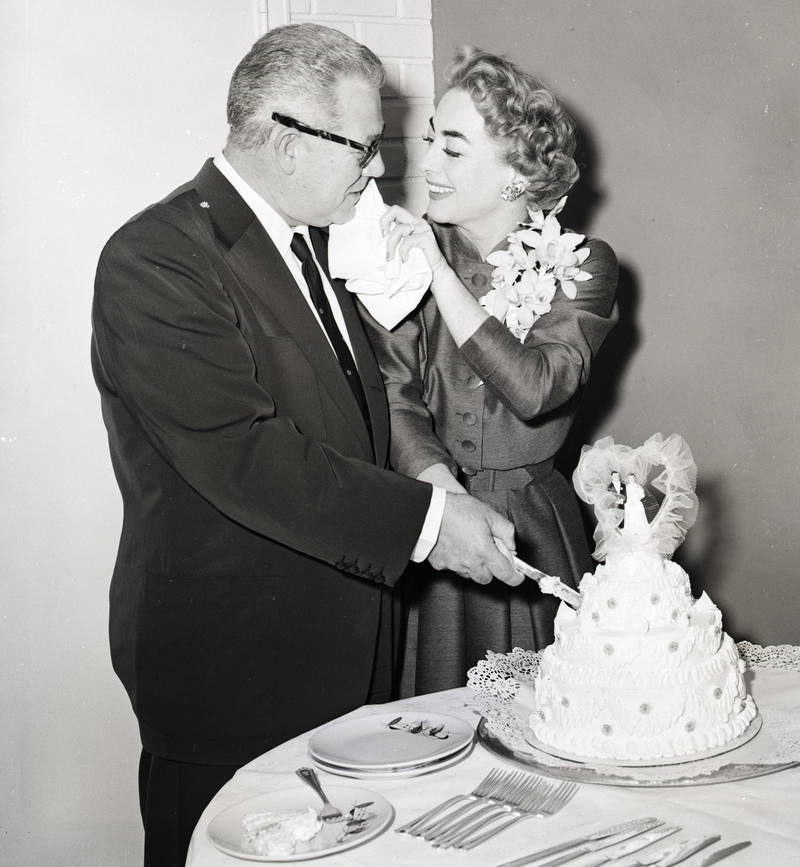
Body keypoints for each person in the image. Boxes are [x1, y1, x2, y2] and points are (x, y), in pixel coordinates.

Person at [91, 25, 520, 867]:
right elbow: (248, 458)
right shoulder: (156, 259)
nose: (378, 170)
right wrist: (433, 523)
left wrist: (437, 485)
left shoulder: (315, 241)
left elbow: (359, 417)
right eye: (364, 147)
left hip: (342, 659)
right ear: (289, 142)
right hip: (234, 674)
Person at [362, 47, 619, 695]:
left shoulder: (585, 264)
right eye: (430, 143)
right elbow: (395, 398)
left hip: (538, 531)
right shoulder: (401, 254)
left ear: (514, 174)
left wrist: (443, 278)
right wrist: (448, 505)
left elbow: (537, 387)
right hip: (437, 524)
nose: (426, 165)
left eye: (452, 148)